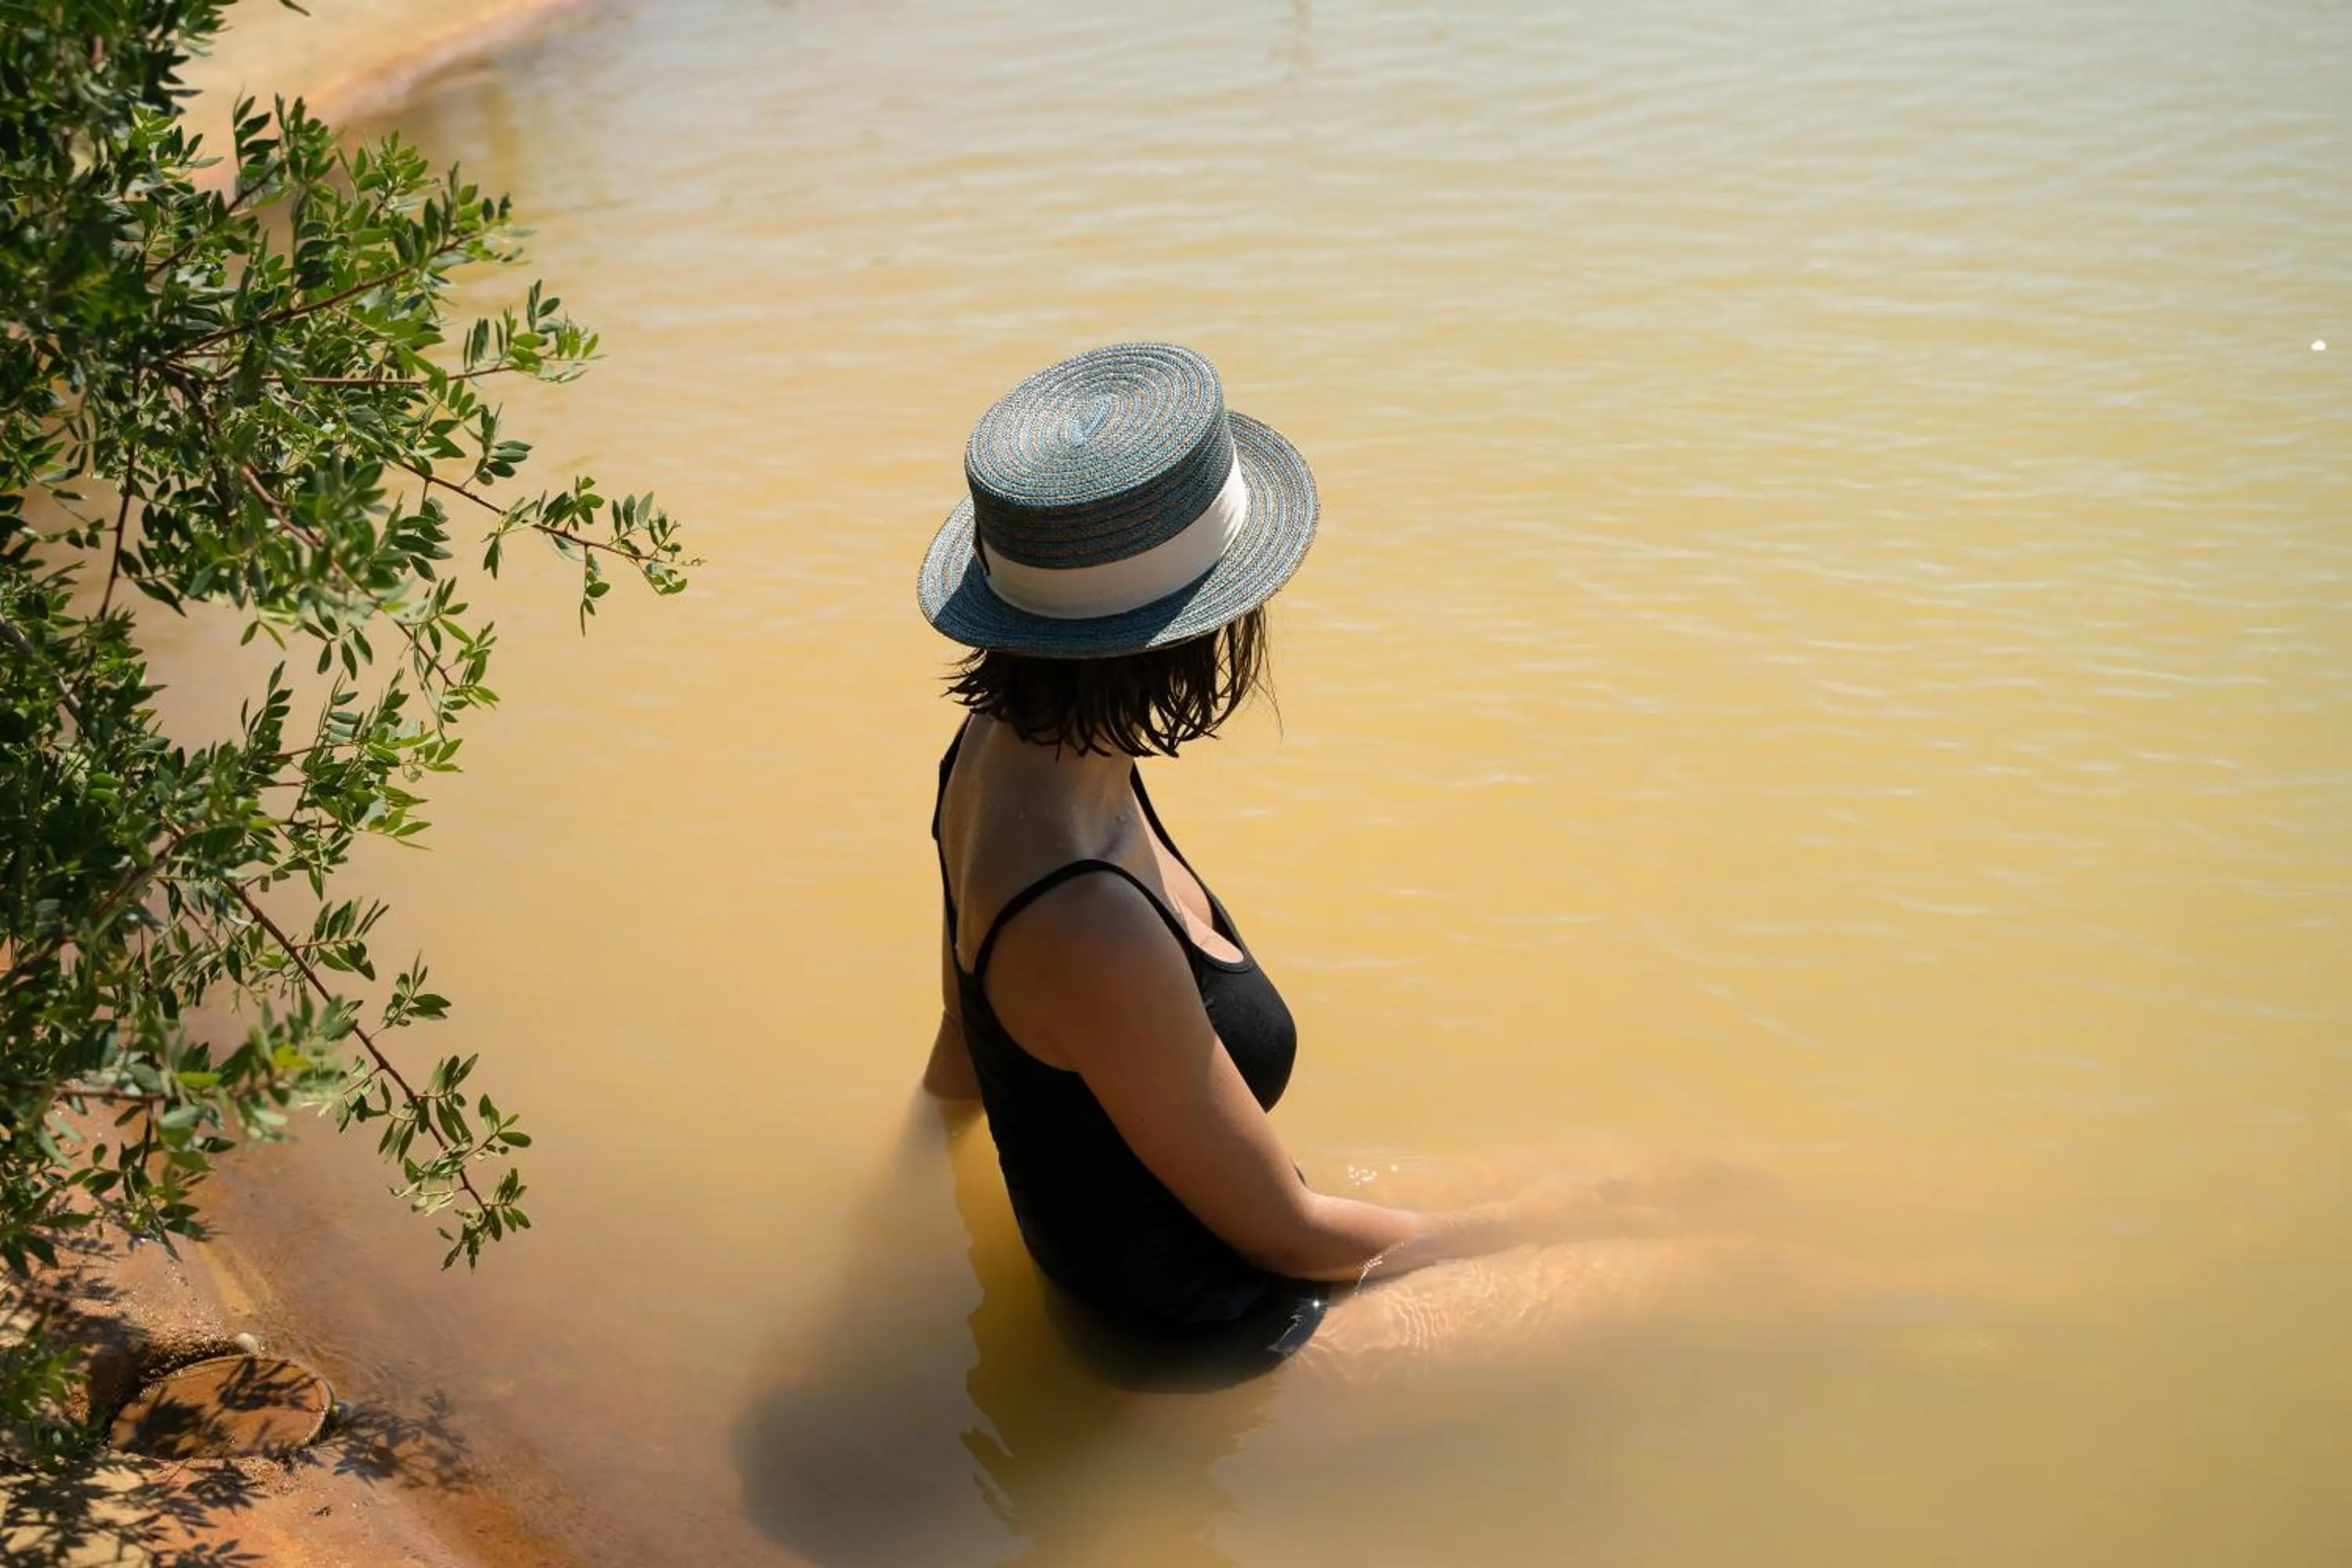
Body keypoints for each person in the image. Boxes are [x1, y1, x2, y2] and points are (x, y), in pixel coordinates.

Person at [912, 343, 1760, 1391]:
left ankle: (1954, 1241)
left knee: (1683, 1185)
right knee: (1732, 1273)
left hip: (1234, 1246)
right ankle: (1987, 1300)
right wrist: (1525, 1230)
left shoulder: (1000, 746)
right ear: (1183, 633)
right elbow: (1291, 1236)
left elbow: (961, 1039)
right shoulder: (1086, 925)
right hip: (1222, 1336)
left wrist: (900, 1213)